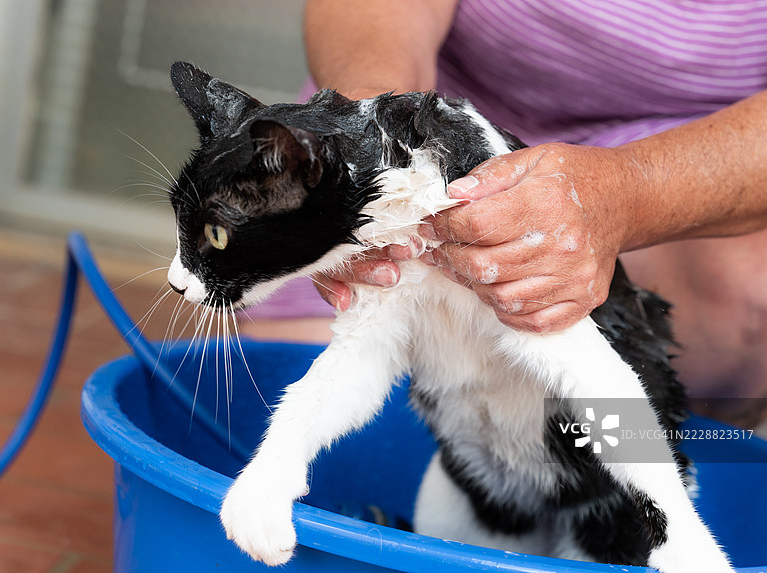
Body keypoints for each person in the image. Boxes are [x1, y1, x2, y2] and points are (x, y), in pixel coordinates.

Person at [302, 0, 767, 426]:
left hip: (688, 166)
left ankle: (674, 458)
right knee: (301, 382)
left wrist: (628, 196)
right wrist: (371, 126)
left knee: (751, 295)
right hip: (442, 129)